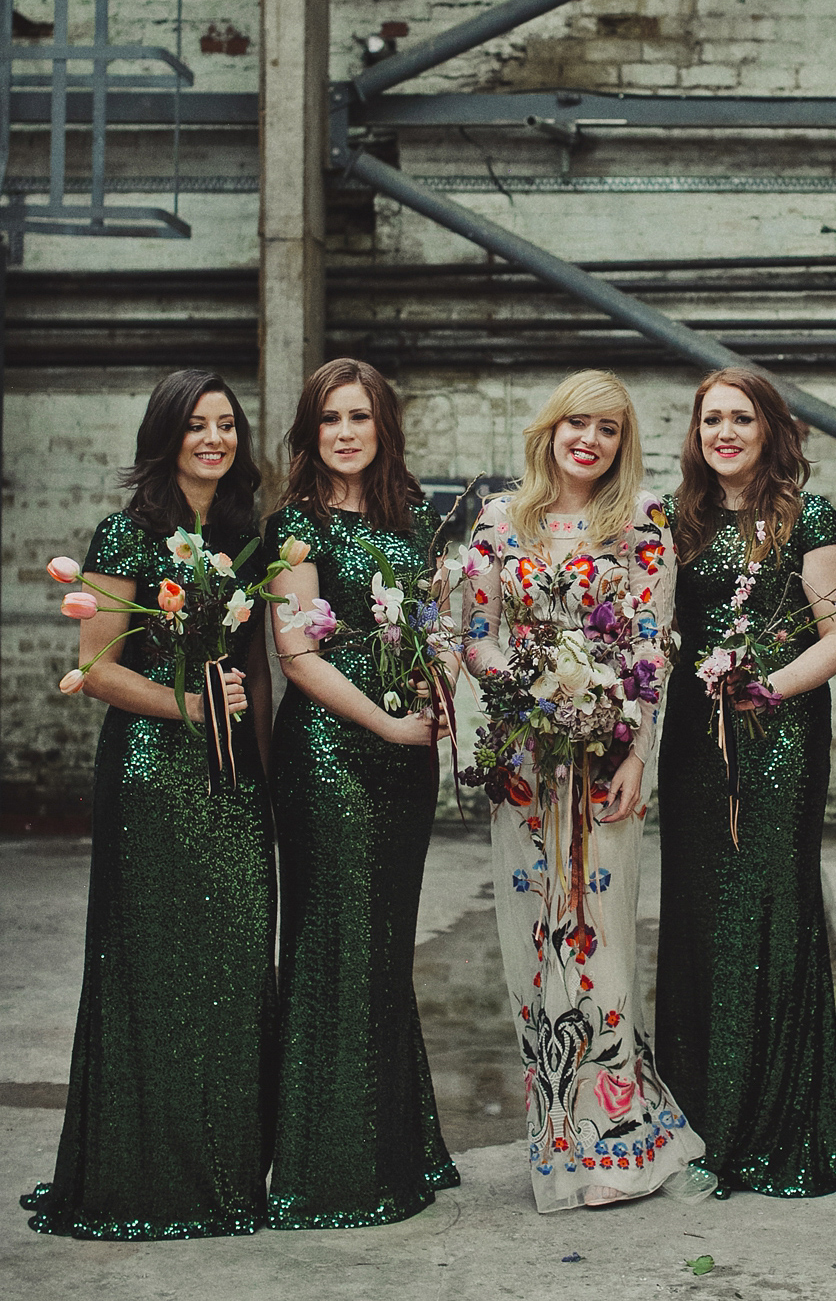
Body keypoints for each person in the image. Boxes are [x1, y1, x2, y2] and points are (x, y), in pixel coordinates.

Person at [22, 370, 276, 1239]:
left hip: (231, 775)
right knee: (157, 970)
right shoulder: (128, 533)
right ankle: (147, 1178)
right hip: (153, 773)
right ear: (165, 435)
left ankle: (224, 1169)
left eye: (226, 424)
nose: (214, 438)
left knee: (234, 964)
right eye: (196, 425)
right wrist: (191, 706)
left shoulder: (243, 536)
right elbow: (96, 669)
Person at [462, 369, 704, 1211]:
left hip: (606, 764)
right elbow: (476, 638)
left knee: (600, 940)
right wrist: (534, 688)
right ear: (552, 428)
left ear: (620, 444)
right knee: (535, 947)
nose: (589, 441)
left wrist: (636, 751)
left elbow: (651, 649)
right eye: (578, 423)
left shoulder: (644, 527)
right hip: (527, 764)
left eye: (607, 429)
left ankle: (618, 1143)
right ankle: (557, 1142)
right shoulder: (501, 522)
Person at [655, 368, 836, 1200]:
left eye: (740, 418)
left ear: (769, 428)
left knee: (769, 912)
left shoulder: (810, 517)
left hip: (776, 735)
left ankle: (775, 1127)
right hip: (692, 744)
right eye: (711, 418)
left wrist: (765, 687)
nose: (724, 432)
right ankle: (701, 1122)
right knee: (699, 916)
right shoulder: (683, 522)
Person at [266, 358, 458, 1230]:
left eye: (360, 417)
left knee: (383, 944)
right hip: (330, 758)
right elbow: (297, 655)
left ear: (384, 427)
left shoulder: (417, 523)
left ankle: (396, 1144)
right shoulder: (294, 529)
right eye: (328, 419)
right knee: (335, 942)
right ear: (309, 435)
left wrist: (436, 688)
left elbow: (442, 629)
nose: (345, 432)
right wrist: (383, 726)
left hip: (404, 762)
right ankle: (328, 1165)